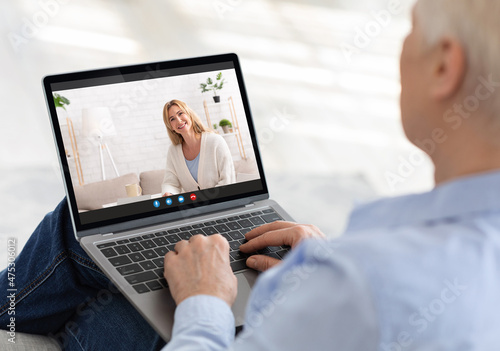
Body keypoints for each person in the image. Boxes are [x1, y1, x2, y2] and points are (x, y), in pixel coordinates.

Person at [2, 0, 500, 349]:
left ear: (444, 67)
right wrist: (323, 263)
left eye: (410, 27)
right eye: (170, 117)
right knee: (124, 265)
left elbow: (361, 303)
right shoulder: (438, 257)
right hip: (250, 256)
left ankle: (13, 314)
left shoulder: (365, 283)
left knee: (83, 237)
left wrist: (205, 301)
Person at [161, 99, 236, 196]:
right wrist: (168, 193)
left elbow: (228, 181)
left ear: (189, 114)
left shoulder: (215, 141)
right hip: (193, 209)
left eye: (180, 113)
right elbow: (170, 182)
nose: (179, 121)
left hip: (222, 203)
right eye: (172, 119)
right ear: (171, 127)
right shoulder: (173, 151)